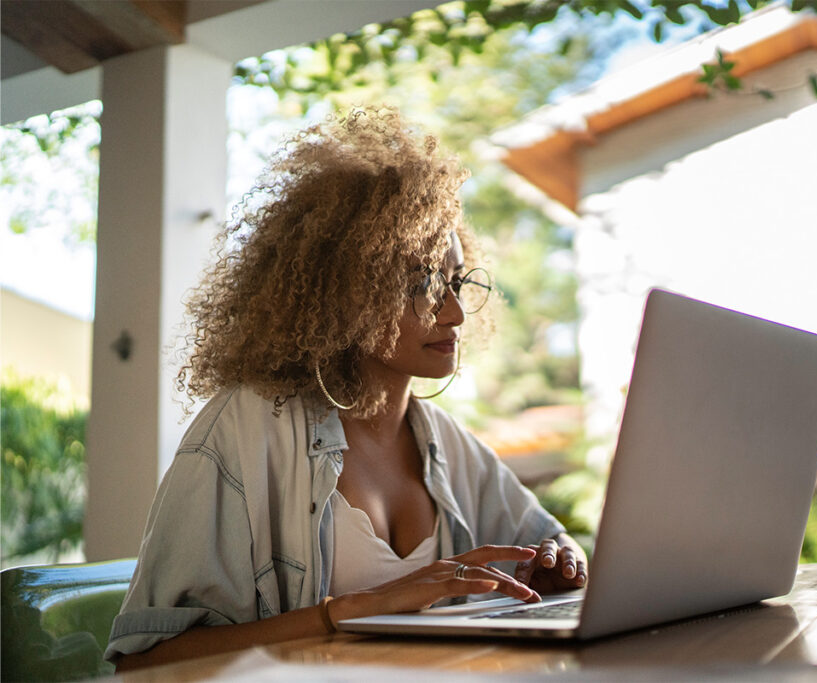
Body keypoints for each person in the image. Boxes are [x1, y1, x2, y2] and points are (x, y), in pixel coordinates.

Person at [106, 108, 587, 670]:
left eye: (455, 282)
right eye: (423, 284)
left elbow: (554, 544)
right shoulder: (246, 428)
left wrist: (563, 561)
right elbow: (144, 663)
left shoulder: (448, 444)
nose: (454, 311)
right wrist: (350, 611)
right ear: (343, 293)